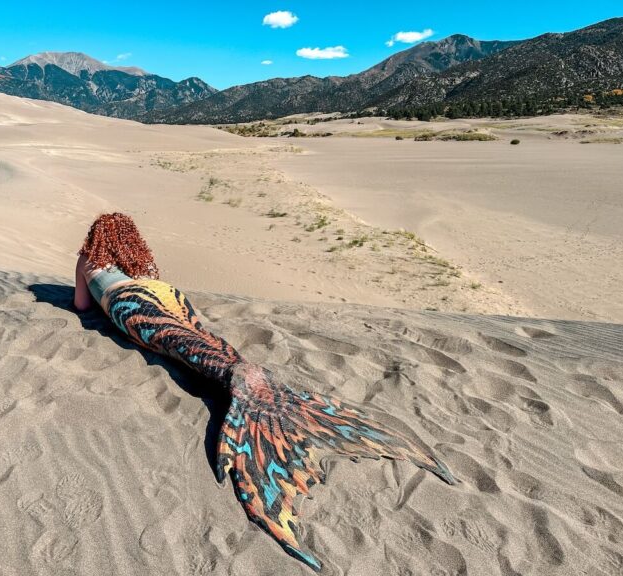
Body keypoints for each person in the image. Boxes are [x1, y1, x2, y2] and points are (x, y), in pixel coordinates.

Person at [75, 212, 456, 571]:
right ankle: (245, 375)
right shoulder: (138, 265)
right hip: (166, 294)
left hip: (130, 303)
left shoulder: (89, 259)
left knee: (176, 343)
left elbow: (81, 304)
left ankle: (245, 384)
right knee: (200, 339)